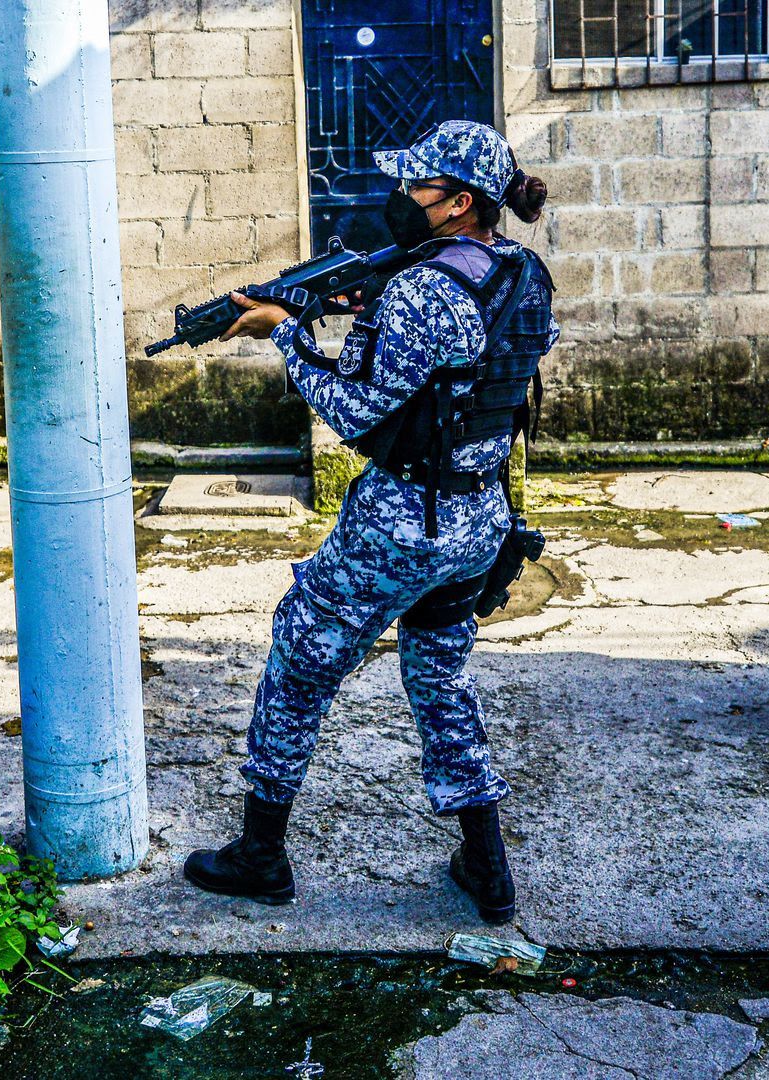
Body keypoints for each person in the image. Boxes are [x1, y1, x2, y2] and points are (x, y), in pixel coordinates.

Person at [182, 121, 557, 924]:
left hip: (402, 522)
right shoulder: (525, 274)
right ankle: (487, 867)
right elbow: (471, 366)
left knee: (301, 657)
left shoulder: (422, 290)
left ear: (460, 203)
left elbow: (355, 410)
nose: (402, 197)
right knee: (440, 675)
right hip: (480, 518)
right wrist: (368, 308)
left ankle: (260, 855)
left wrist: (287, 335)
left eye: (418, 186)